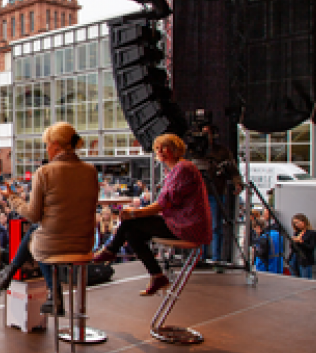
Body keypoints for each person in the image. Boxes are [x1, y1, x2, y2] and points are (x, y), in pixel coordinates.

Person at [0, 122, 100, 314]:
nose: (46, 149)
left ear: (56, 145)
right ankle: (13, 274)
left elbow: (34, 215)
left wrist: (13, 199)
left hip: (55, 247)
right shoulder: (90, 170)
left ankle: (52, 293)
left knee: (37, 235)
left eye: (47, 145)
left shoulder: (44, 172)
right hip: (85, 245)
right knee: (40, 234)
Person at [93, 133, 212, 296]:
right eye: (157, 148)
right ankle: (156, 275)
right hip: (181, 223)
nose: (160, 151)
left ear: (176, 149)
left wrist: (134, 213)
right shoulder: (174, 169)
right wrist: (135, 214)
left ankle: (112, 250)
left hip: (187, 227)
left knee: (130, 224)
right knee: (131, 230)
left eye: (165, 147)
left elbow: (163, 205)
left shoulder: (182, 168)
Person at [198, 123, 243, 264]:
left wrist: (237, 183)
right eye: (203, 133)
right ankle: (201, 256)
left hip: (216, 192)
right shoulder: (196, 151)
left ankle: (216, 258)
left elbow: (233, 170)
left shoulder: (222, 152)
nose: (206, 137)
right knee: (200, 226)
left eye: (208, 133)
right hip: (198, 194)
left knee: (216, 225)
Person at [288, 213, 316, 278]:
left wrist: (301, 242)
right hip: (294, 258)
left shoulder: (312, 233)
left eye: (297, 222)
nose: (296, 225)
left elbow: (311, 247)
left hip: (305, 259)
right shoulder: (296, 233)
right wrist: (293, 242)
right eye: (294, 223)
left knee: (305, 278)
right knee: (294, 277)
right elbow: (292, 248)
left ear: (304, 221)